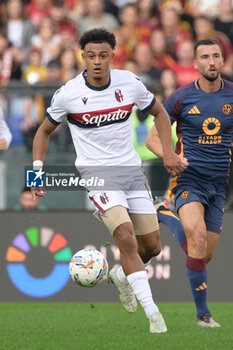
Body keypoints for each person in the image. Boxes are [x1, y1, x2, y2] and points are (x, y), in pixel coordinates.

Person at [31, 28, 188, 333]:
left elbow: (160, 113)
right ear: (83, 58)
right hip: (98, 176)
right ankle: (154, 316)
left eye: (103, 55)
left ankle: (121, 274)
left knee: (152, 247)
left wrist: (168, 153)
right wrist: (35, 174)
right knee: (126, 238)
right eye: (91, 56)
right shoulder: (69, 94)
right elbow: (43, 132)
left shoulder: (128, 82)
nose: (97, 61)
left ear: (112, 56)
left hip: (131, 173)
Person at [146, 38, 233, 328]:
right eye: (205, 57)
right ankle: (203, 315)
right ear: (194, 64)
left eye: (216, 56)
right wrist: (171, 156)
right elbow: (152, 138)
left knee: (203, 254)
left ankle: (165, 214)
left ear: (222, 60)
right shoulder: (180, 98)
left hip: (219, 184)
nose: (211, 61)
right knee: (195, 240)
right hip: (188, 179)